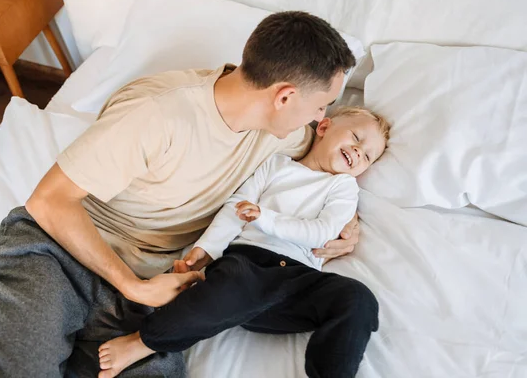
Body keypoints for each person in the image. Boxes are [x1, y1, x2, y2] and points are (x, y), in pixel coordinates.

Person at [0, 11, 360, 377]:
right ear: (285, 96)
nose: (318, 118)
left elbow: (325, 159)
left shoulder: (284, 131)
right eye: (321, 105)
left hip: (148, 288)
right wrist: (132, 285)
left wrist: (344, 220)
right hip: (60, 251)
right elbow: (49, 200)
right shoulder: (155, 114)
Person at [97, 106, 390, 378]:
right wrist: (206, 250)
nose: (358, 151)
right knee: (227, 283)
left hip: (298, 278)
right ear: (324, 126)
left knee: (358, 298)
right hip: (248, 263)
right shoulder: (276, 164)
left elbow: (321, 231)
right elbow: (236, 208)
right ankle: (144, 341)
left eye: (367, 155)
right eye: (356, 137)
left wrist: (265, 218)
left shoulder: (344, 187)